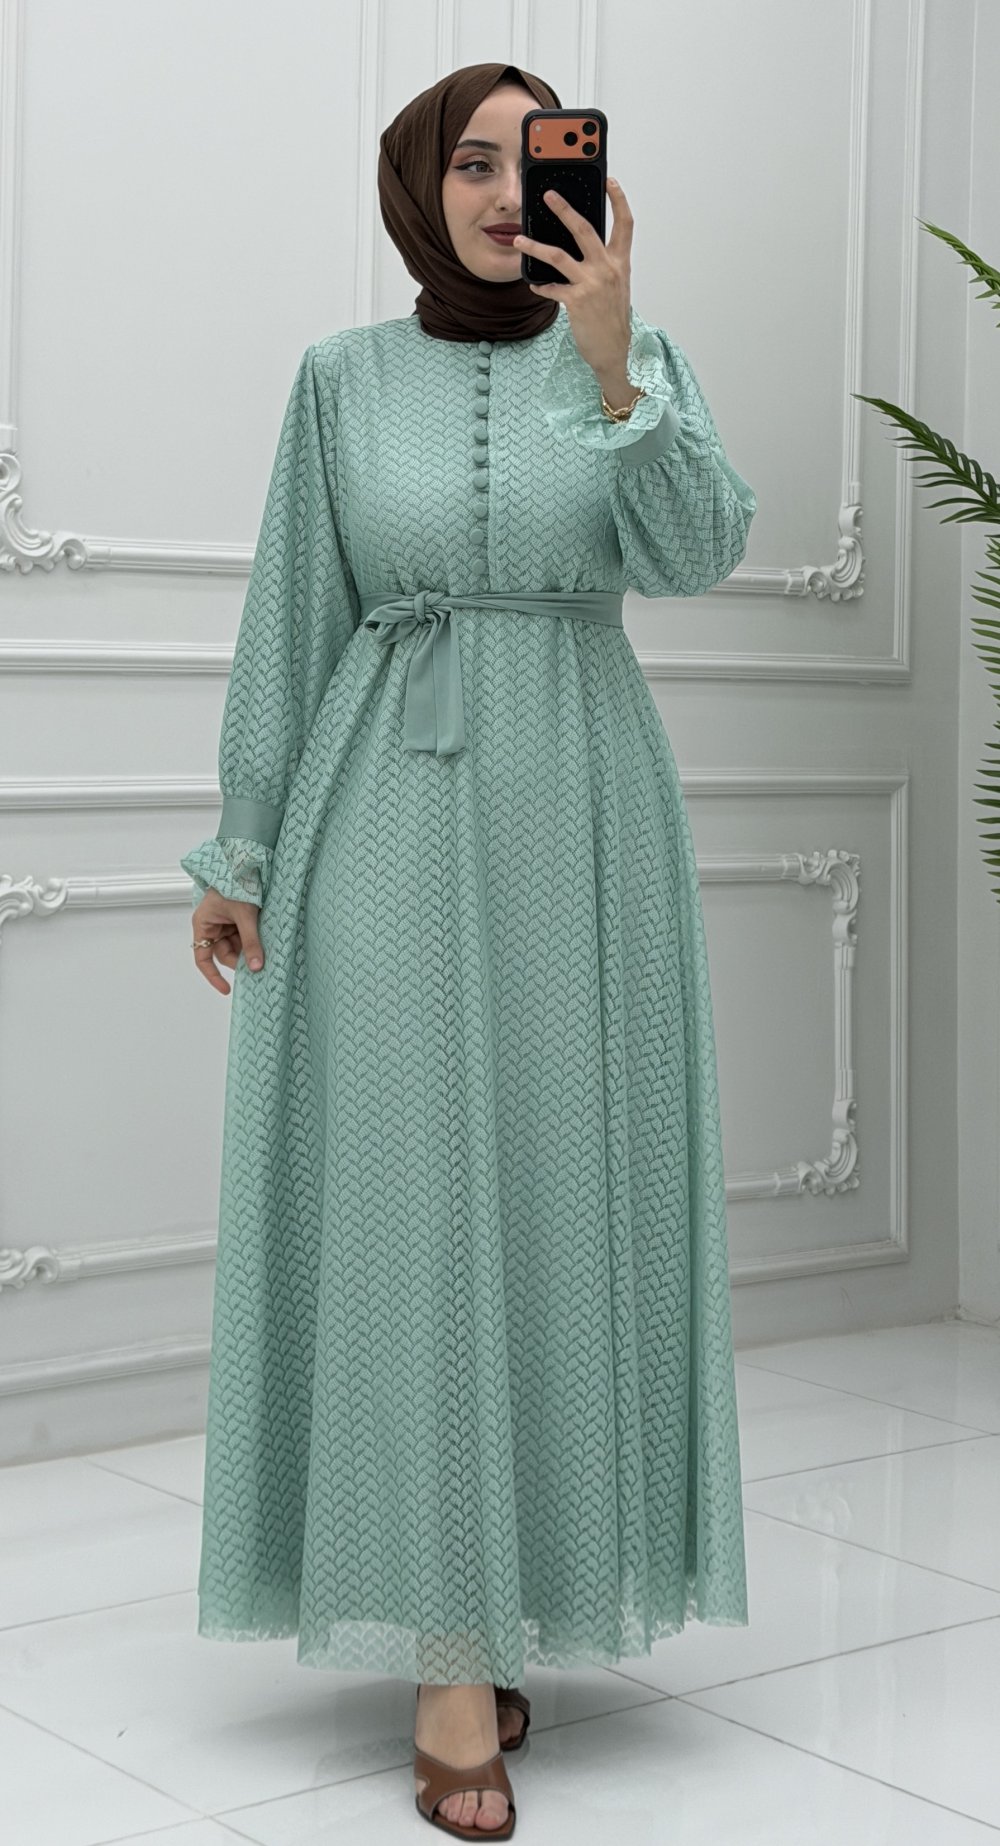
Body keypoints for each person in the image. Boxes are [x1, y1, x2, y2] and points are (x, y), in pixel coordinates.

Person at [181, 60, 756, 1842]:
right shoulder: (340, 380)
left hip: (584, 829)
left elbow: (698, 551)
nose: (511, 191)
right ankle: (447, 1652)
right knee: (419, 1223)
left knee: (558, 1210)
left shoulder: (633, 358)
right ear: (421, 185)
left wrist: (616, 361)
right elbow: (295, 610)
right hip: (384, 822)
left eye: (541, 159)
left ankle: (509, 1599)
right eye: (477, 162)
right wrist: (244, 846)